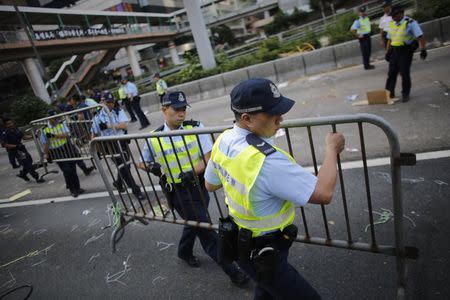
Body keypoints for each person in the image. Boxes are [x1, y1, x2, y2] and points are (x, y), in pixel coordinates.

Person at [204, 78, 345, 299]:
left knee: (266, 290)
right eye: (272, 114)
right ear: (247, 118)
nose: (281, 119)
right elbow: (324, 192)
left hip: (243, 242)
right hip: (263, 247)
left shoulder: (223, 140)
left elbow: (210, 184)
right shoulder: (265, 161)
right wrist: (332, 149)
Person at [138, 91, 249, 287]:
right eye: (176, 109)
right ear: (164, 110)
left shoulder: (196, 128)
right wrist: (151, 167)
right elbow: (141, 162)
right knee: (207, 232)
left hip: (199, 185)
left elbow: (208, 159)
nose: (181, 113)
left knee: (194, 222)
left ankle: (184, 251)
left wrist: (191, 171)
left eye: (183, 109)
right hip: (178, 192)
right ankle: (234, 272)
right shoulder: (153, 137)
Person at [91, 96, 144, 200]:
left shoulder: (118, 111)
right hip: (110, 144)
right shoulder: (97, 117)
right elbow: (93, 134)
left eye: (112, 102)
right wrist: (95, 149)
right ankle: (136, 191)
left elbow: (123, 126)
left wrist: (107, 126)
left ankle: (118, 183)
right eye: (107, 102)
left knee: (126, 166)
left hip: (121, 141)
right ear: (102, 102)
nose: (110, 104)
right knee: (123, 167)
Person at [385, 5, 427, 102]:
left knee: (404, 72)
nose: (392, 17)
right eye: (391, 15)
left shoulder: (410, 22)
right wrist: (387, 52)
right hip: (394, 51)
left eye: (394, 15)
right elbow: (389, 39)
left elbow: (420, 36)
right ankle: (388, 94)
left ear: (401, 13)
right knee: (391, 73)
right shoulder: (392, 23)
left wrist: (423, 49)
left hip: (405, 51)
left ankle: (405, 94)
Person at [41, 110, 84, 197]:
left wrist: (54, 136)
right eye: (53, 118)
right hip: (56, 152)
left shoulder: (61, 124)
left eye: (56, 117)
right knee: (67, 170)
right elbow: (45, 144)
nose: (56, 119)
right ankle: (72, 189)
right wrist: (46, 155)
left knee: (73, 169)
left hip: (67, 148)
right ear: (49, 119)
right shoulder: (44, 130)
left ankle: (78, 188)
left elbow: (67, 135)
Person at [1, 118, 45, 183]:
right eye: (8, 124)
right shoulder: (5, 133)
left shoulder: (16, 129)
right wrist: (16, 146)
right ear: (5, 125)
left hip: (22, 148)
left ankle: (23, 174)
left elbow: (23, 137)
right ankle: (37, 178)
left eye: (11, 123)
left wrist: (33, 136)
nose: (11, 124)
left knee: (29, 161)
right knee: (27, 164)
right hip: (15, 151)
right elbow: (5, 145)